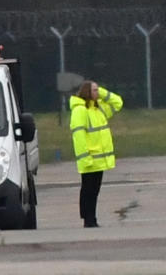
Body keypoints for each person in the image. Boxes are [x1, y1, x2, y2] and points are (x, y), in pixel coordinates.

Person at [70, 79, 123, 228]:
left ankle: (91, 217)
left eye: (98, 90)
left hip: (99, 160)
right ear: (87, 92)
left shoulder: (98, 109)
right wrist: (84, 157)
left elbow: (118, 103)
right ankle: (88, 219)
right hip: (89, 159)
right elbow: (79, 136)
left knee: (94, 191)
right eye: (94, 90)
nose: (97, 93)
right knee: (88, 190)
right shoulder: (80, 111)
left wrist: (103, 93)